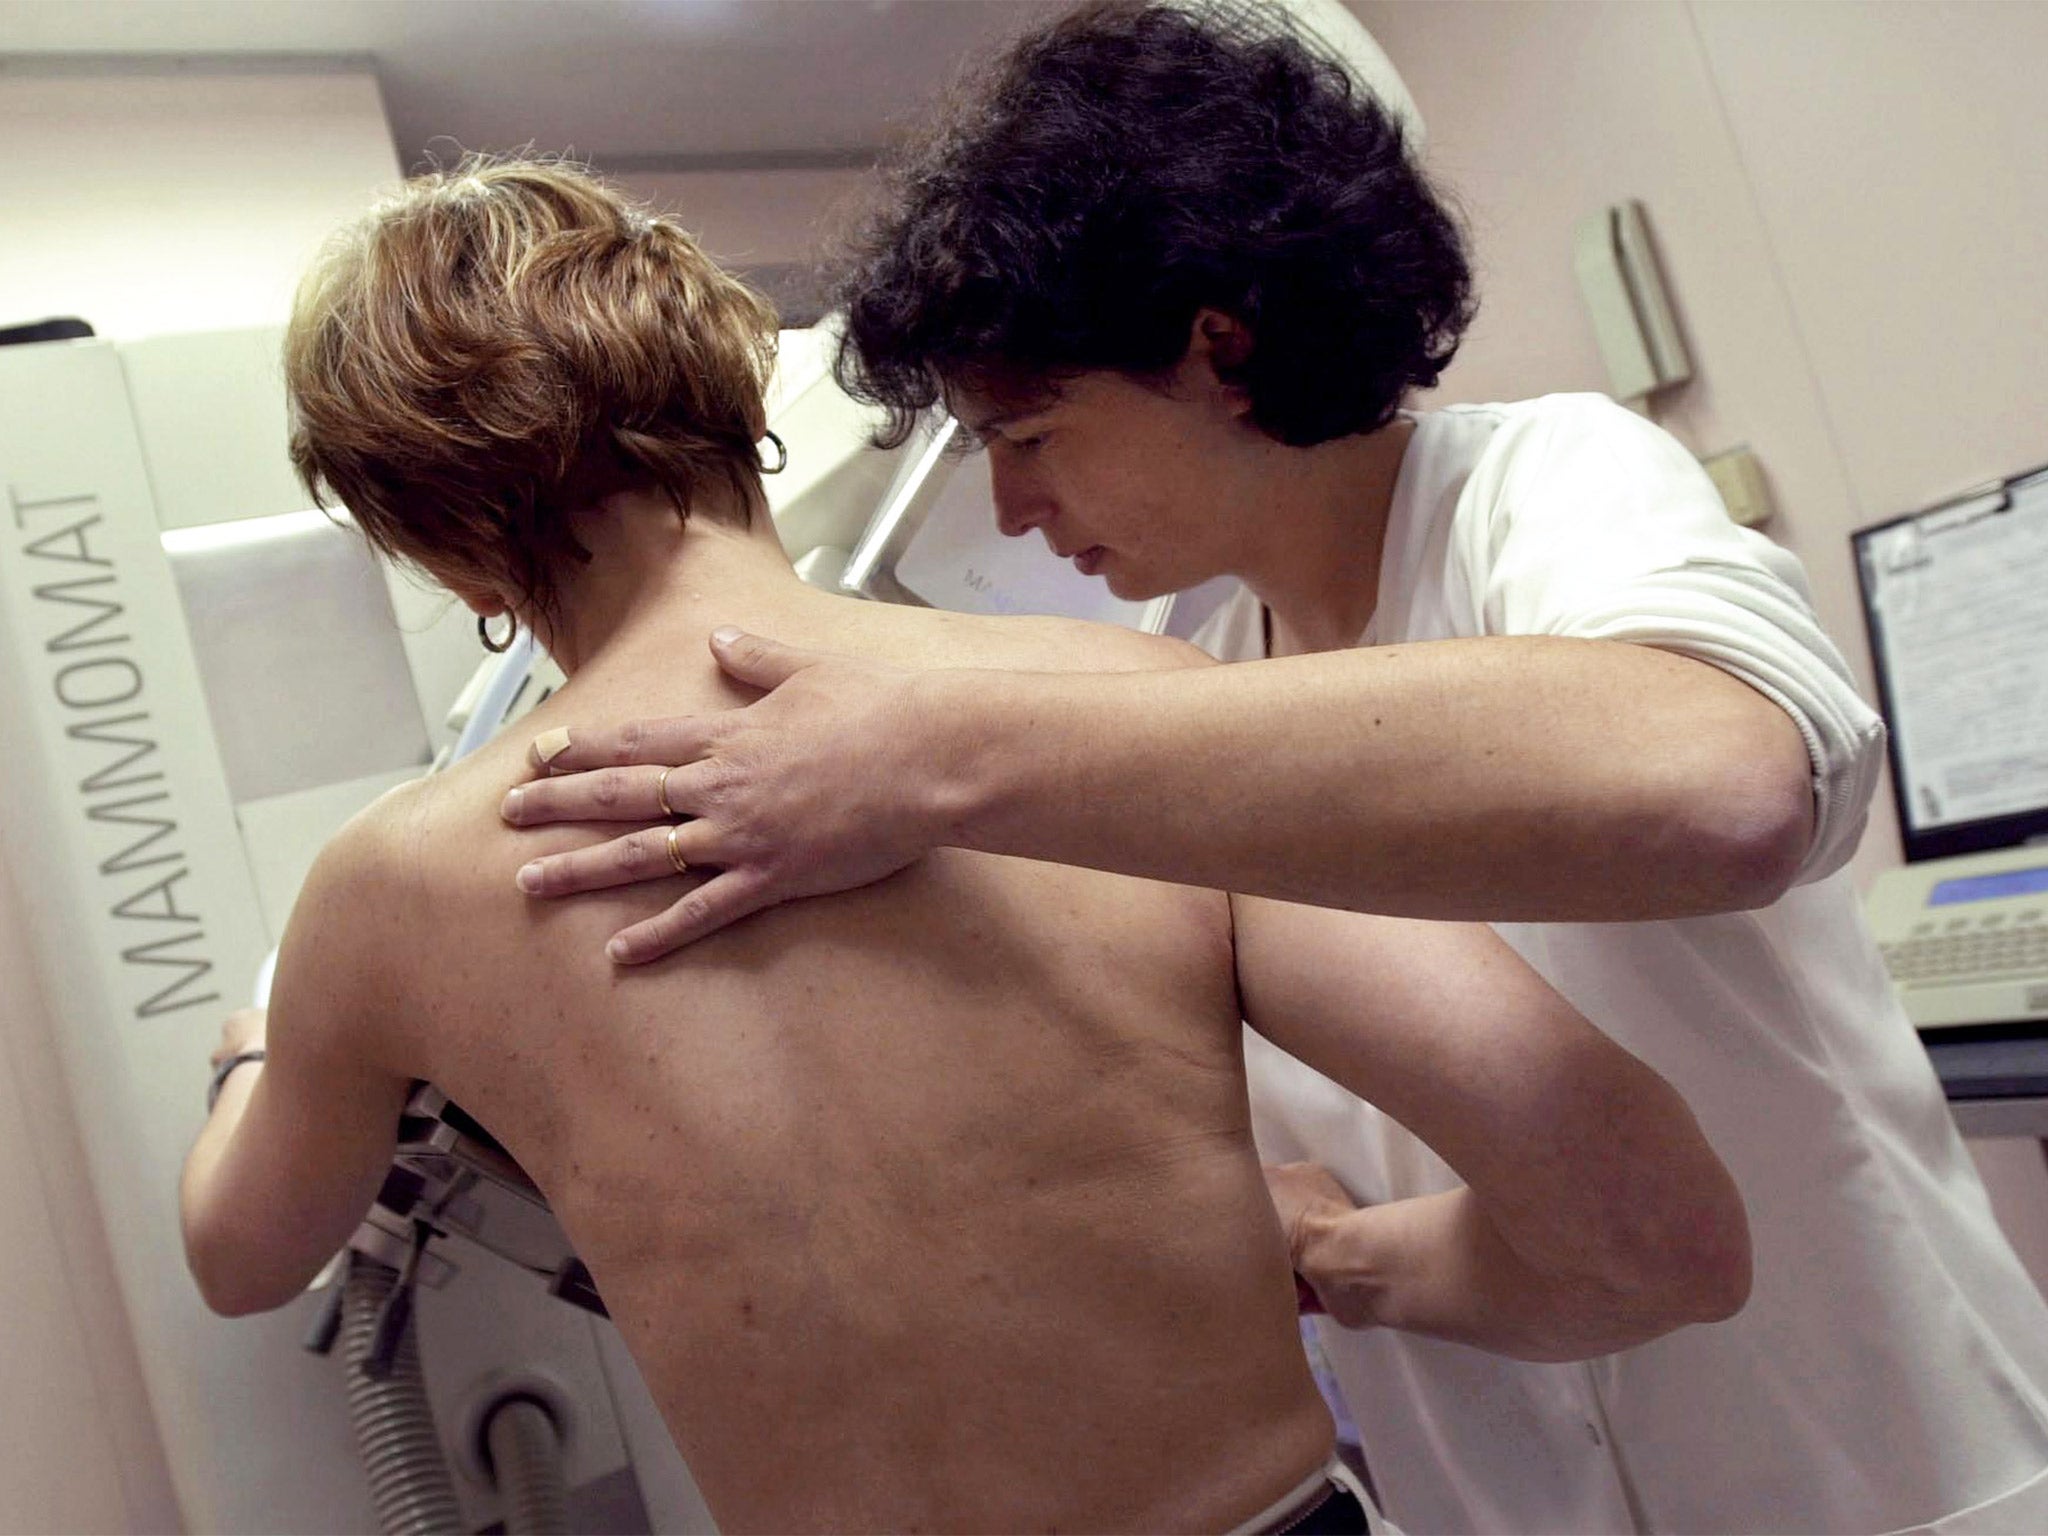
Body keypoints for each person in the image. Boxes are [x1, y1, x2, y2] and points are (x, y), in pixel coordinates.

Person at [500, 5, 2048, 1533]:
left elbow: (1722, 784)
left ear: (1219, 352)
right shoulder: (1204, 679)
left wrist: (944, 744)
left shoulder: (1544, 487)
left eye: (1031, 433)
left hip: (1871, 1462)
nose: (1018, 508)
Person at [177, 157, 1750, 1535]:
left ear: (448, 546)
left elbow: (244, 1256)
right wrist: (1338, 1255)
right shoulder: (1136, 720)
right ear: (738, 404)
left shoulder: (388, 899)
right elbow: (1654, 1229)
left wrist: (257, 1055)